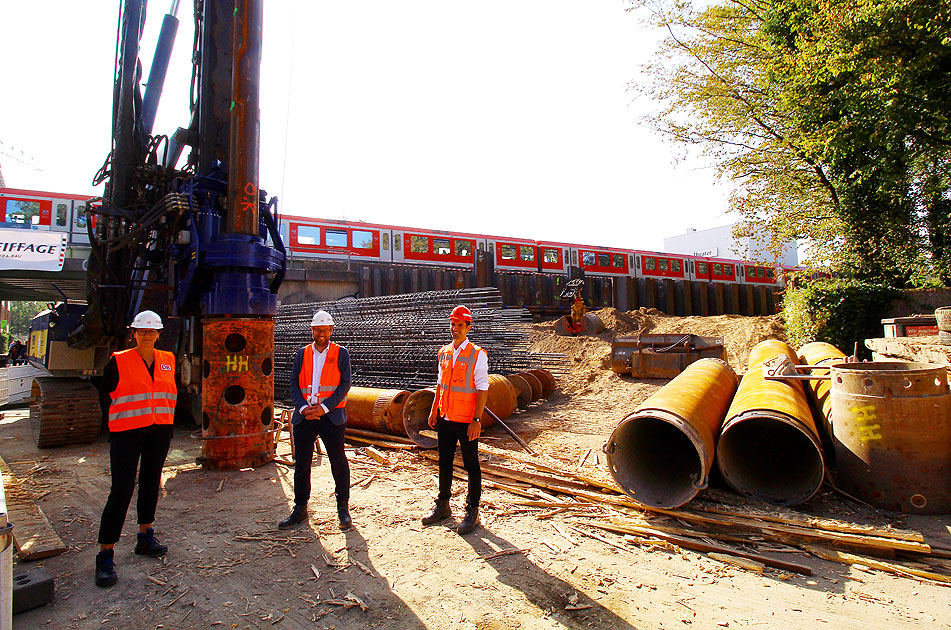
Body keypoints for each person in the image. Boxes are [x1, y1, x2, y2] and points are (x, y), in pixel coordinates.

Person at [94, 310, 176, 588]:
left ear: (159, 334)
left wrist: (167, 427)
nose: (147, 335)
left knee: (151, 483)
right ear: (134, 333)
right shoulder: (119, 361)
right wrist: (114, 425)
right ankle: (105, 553)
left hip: (159, 430)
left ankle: (145, 535)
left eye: (152, 331)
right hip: (126, 433)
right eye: (142, 331)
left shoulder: (168, 360)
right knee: (121, 489)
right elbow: (106, 396)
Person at [281, 309, 353, 530]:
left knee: (338, 462)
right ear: (312, 330)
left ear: (331, 330)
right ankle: (300, 507)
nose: (322, 334)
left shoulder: (341, 353)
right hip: (305, 417)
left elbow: (344, 385)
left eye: (325, 330)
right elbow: (294, 382)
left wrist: (323, 408)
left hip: (330, 417)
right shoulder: (302, 354)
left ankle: (343, 507)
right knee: (302, 464)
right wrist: (302, 407)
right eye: (318, 330)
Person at [422, 305, 489, 535]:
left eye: (459, 325)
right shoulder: (444, 352)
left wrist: (477, 419)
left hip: (466, 420)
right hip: (446, 417)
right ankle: (443, 506)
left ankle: (472, 511)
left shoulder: (477, 354)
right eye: (452, 324)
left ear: (468, 327)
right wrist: (434, 410)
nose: (455, 329)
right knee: (444, 462)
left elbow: (482, 388)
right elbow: (441, 384)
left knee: (471, 465)